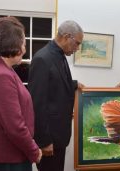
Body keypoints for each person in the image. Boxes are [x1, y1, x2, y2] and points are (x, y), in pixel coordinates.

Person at [0, 17, 42, 171]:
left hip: (4, 155)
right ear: (12, 43)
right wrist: (34, 150)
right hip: (8, 159)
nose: (25, 48)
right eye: (23, 42)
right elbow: (14, 126)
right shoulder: (0, 75)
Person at [28, 20, 83, 171]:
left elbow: (56, 83)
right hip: (49, 138)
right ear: (66, 37)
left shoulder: (59, 55)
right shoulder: (42, 58)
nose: (77, 48)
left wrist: (74, 84)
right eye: (77, 43)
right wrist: (44, 141)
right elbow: (37, 103)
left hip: (59, 137)